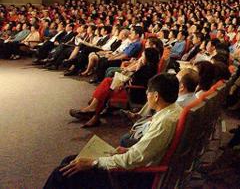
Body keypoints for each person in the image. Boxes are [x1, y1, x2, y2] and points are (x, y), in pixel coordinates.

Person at [44, 73, 182, 189]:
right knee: (70, 161)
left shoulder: (164, 122)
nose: (147, 95)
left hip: (134, 176)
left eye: (148, 92)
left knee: (62, 173)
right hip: (141, 166)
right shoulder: (176, 110)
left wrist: (94, 162)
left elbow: (132, 160)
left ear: (156, 96)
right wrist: (129, 150)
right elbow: (148, 150)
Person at [69, 47, 161, 128]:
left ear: (148, 57)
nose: (141, 57)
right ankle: (93, 113)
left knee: (107, 87)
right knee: (108, 83)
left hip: (134, 92)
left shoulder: (148, 69)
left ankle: (92, 110)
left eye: (143, 56)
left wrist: (138, 68)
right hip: (129, 87)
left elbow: (136, 80)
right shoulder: (148, 67)